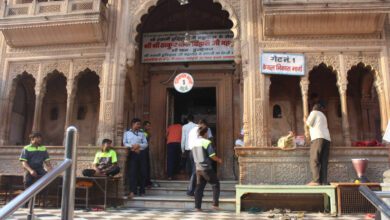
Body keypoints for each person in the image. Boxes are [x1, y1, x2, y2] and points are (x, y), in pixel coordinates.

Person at [192, 126, 222, 211]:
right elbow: (212, 155)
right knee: (215, 183)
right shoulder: (206, 142)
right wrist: (219, 160)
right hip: (206, 168)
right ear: (205, 133)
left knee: (199, 187)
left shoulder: (194, 142)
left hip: (198, 168)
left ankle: (197, 207)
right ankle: (215, 205)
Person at [306, 104, 331, 186]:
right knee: (323, 161)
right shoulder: (323, 116)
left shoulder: (314, 112)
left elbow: (308, 123)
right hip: (327, 139)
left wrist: (305, 119)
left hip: (318, 138)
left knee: (314, 159)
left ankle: (316, 181)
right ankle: (323, 182)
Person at [187, 119, 213, 196]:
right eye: (205, 126)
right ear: (203, 124)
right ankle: (192, 190)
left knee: (196, 171)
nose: (206, 129)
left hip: (192, 150)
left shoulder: (192, 130)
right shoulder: (199, 130)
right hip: (198, 150)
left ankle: (197, 191)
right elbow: (204, 140)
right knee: (196, 171)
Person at [123, 118, 148, 198]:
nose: (139, 126)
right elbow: (125, 143)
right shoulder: (127, 133)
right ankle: (132, 191)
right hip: (132, 153)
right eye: (137, 124)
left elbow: (146, 144)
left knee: (142, 172)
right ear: (133, 124)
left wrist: (139, 146)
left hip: (141, 154)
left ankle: (142, 190)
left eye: (139, 124)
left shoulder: (142, 133)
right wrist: (133, 146)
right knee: (132, 173)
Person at [142, 121, 152, 188]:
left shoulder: (147, 133)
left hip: (146, 151)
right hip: (143, 151)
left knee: (147, 167)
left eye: (149, 126)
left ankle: (147, 181)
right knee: (144, 167)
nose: (149, 127)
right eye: (148, 126)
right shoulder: (143, 133)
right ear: (144, 126)